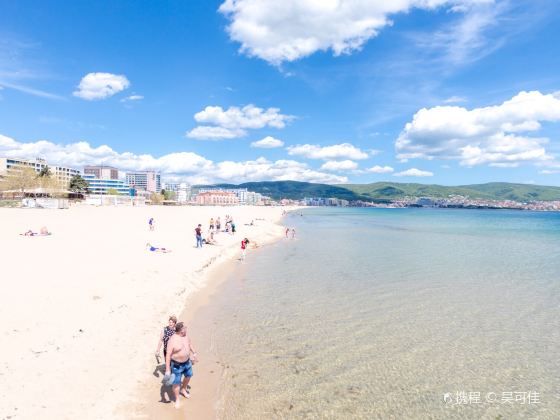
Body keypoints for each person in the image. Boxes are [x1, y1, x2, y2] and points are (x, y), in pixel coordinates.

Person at [165, 322, 198, 409]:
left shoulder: (186, 336)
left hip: (187, 362)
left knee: (189, 376)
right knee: (176, 383)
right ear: (181, 330)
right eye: (185, 328)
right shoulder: (172, 340)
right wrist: (168, 370)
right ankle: (177, 399)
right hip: (177, 365)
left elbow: (190, 344)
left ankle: (183, 389)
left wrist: (194, 353)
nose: (186, 329)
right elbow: (168, 355)